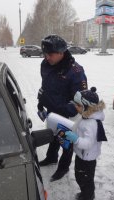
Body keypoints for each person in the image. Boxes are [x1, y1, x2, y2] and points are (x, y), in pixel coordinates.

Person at [37, 34, 88, 182]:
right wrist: (41, 101)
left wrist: (60, 108)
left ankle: (63, 167)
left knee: (66, 142)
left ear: (61, 52)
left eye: (50, 54)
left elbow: (80, 102)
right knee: (53, 135)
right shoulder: (45, 64)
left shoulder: (75, 71)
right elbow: (45, 85)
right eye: (45, 54)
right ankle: (51, 157)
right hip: (53, 111)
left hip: (68, 115)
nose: (47, 57)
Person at [64, 87, 107, 200]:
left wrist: (76, 139)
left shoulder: (91, 123)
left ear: (87, 106)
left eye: (78, 105)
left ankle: (88, 196)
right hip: (81, 154)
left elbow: (88, 143)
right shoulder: (85, 117)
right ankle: (86, 193)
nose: (75, 107)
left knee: (85, 179)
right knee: (80, 176)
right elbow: (78, 129)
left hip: (87, 158)